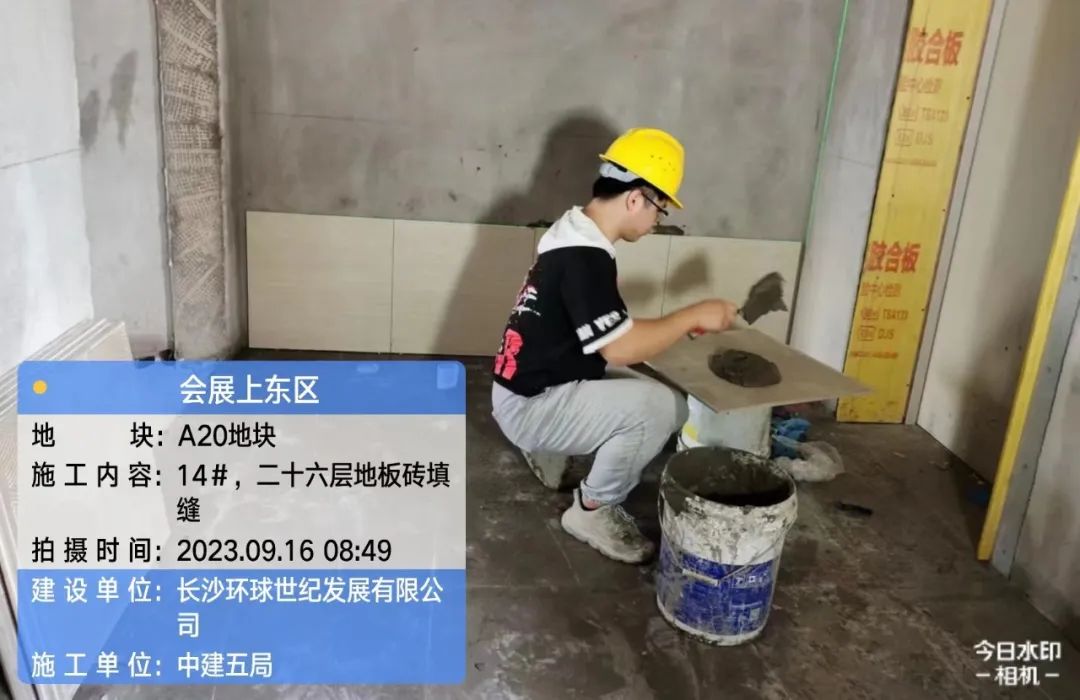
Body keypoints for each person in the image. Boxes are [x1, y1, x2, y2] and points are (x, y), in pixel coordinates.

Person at [489, 127, 739, 564]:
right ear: (636, 198)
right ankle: (591, 510)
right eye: (660, 208)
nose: (657, 220)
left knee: (666, 401)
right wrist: (692, 315)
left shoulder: (573, 231)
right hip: (532, 404)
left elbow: (608, 328)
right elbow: (620, 348)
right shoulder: (584, 257)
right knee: (658, 409)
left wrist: (678, 324)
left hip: (532, 382)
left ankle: (552, 451)